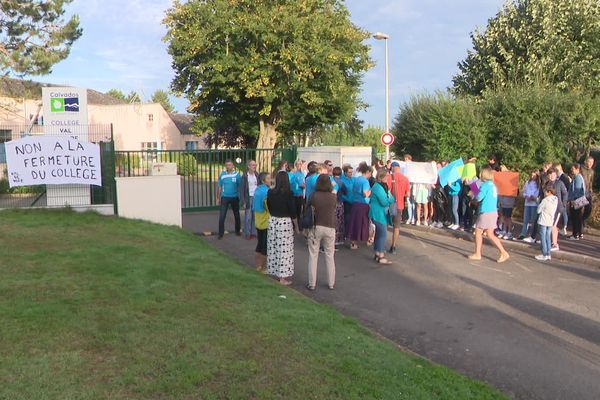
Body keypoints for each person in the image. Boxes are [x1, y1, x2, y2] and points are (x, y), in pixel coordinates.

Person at [468, 166, 510, 263]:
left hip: (486, 211)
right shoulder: (493, 185)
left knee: (478, 231)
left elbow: (479, 198)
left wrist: (472, 188)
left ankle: (478, 253)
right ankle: (503, 252)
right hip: (493, 211)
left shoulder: (485, 185)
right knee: (490, 234)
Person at [267, 171, 300, 286]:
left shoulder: (270, 192)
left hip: (273, 220)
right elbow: (293, 211)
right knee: (285, 250)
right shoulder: (289, 194)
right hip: (284, 222)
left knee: (274, 246)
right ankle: (283, 277)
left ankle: (274, 270)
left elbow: (269, 207)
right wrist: (296, 226)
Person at [306, 174, 338, 290]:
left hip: (316, 226)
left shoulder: (313, 196)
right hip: (330, 226)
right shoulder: (333, 197)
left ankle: (312, 283)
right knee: (330, 256)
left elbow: (307, 208)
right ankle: (331, 283)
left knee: (313, 255)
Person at [370, 168, 395, 264]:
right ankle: (381, 256)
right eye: (387, 176)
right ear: (382, 176)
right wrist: (391, 200)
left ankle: (377, 253)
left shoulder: (381, 186)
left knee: (379, 234)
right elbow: (384, 202)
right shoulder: (378, 187)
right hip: (378, 214)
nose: (388, 178)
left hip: (377, 213)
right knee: (382, 235)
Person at [347, 163, 372, 250]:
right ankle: (367, 239)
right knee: (363, 223)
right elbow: (366, 194)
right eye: (370, 173)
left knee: (354, 223)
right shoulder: (365, 181)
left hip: (355, 203)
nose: (370, 175)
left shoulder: (357, 179)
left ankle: (353, 242)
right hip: (362, 204)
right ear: (367, 172)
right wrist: (371, 191)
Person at [386, 161, 410, 254]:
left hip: (388, 205)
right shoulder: (405, 179)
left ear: (392, 168)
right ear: (399, 168)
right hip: (399, 206)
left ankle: (381, 245)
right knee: (396, 227)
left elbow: (386, 191)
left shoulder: (388, 178)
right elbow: (407, 194)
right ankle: (393, 246)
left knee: (384, 225)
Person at [217, 159, 241, 239]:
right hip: (225, 197)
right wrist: (218, 197)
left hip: (234, 197)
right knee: (222, 216)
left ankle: (237, 231)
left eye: (230, 165)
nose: (228, 166)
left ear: (233, 166)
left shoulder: (237, 175)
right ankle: (221, 234)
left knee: (237, 215)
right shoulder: (222, 174)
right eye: (227, 165)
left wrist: (240, 197)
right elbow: (219, 187)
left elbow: (240, 186)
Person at [253, 173, 271, 273]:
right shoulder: (267, 192)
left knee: (259, 244)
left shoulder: (257, 190)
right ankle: (264, 268)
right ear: (263, 181)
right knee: (265, 246)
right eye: (268, 178)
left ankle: (258, 266)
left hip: (258, 220)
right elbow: (268, 207)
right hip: (265, 221)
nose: (270, 179)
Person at [547, 168, 568, 251]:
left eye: (553, 174)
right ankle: (551, 242)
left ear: (556, 175)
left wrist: (563, 204)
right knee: (550, 226)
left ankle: (555, 244)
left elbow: (565, 193)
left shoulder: (559, 183)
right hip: (549, 208)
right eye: (550, 175)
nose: (551, 176)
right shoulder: (546, 184)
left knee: (553, 225)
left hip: (557, 208)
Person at [536, 186, 558, 261]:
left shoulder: (545, 200)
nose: (545, 193)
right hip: (550, 220)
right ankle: (548, 254)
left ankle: (544, 254)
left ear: (549, 192)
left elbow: (538, 210)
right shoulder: (555, 199)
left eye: (546, 192)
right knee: (548, 237)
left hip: (543, 220)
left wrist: (537, 202)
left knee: (543, 237)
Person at [240, 160, 259, 240]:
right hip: (248, 197)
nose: (254, 166)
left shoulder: (257, 175)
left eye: (255, 165)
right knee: (248, 216)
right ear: (248, 166)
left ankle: (253, 232)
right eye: (252, 165)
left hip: (256, 197)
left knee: (255, 216)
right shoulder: (245, 176)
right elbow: (241, 190)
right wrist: (243, 201)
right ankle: (247, 233)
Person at [519, 170, 540, 241]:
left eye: (534, 176)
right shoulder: (527, 183)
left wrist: (533, 197)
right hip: (527, 203)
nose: (532, 177)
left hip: (534, 204)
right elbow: (524, 191)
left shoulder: (538, 184)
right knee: (526, 219)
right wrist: (526, 196)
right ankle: (523, 233)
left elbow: (537, 193)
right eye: (531, 175)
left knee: (533, 220)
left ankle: (532, 235)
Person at [567, 163, 586, 241]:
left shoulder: (578, 177)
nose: (572, 170)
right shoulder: (577, 177)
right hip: (579, 199)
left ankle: (575, 234)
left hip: (577, 200)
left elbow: (576, 190)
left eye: (573, 169)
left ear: (577, 169)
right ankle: (579, 233)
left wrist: (572, 200)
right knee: (578, 217)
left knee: (575, 217)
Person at [332, 167, 347, 247]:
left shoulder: (330, 181)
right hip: (339, 202)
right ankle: (337, 240)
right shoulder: (341, 182)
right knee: (339, 221)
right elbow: (346, 192)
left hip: (331, 203)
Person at [554, 163, 571, 235]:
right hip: (560, 197)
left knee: (564, 213)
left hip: (563, 198)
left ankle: (564, 227)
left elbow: (567, 188)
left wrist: (566, 199)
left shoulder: (564, 177)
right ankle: (563, 227)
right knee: (563, 213)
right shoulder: (562, 177)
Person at [581, 156, 595, 229]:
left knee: (589, 209)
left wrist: (591, 190)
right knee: (578, 208)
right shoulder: (581, 169)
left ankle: (583, 220)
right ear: (585, 161)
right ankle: (578, 224)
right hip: (581, 191)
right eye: (589, 162)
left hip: (588, 192)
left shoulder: (592, 171)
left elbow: (591, 182)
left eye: (592, 162)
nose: (590, 164)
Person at [341, 164, 355, 232]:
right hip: (346, 202)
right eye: (349, 172)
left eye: (352, 172)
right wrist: (346, 198)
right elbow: (340, 193)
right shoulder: (342, 180)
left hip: (353, 201)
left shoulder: (354, 179)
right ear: (345, 172)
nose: (351, 174)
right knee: (346, 218)